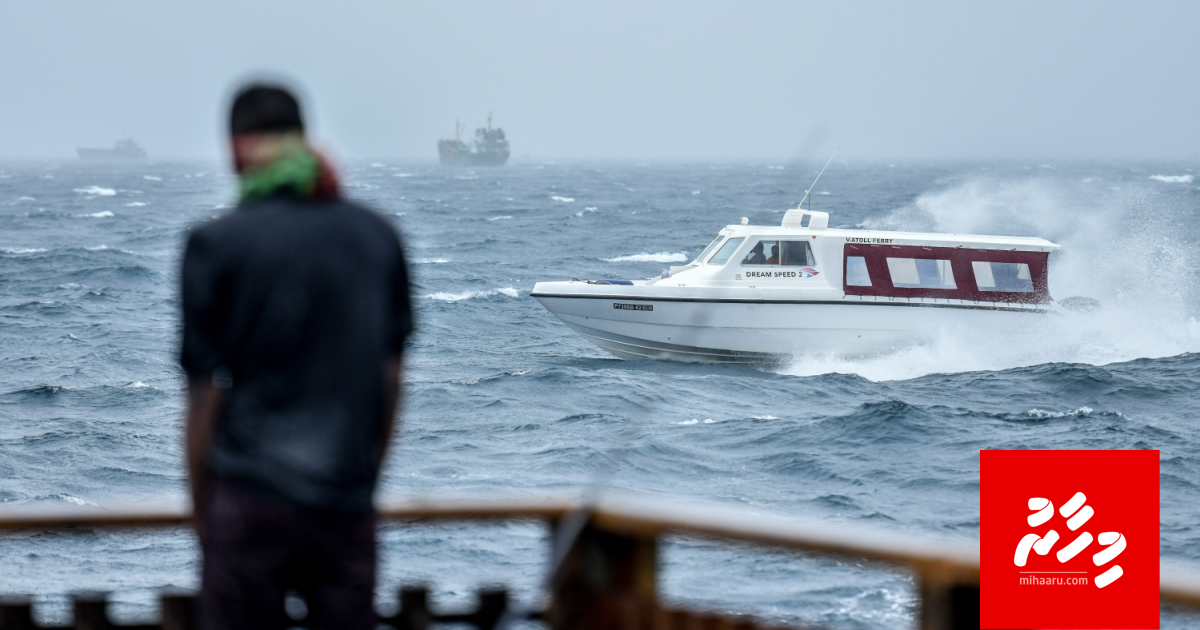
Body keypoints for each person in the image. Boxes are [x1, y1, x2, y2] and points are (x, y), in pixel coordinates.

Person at [180, 83, 413, 630]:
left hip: (247, 499)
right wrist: (362, 481)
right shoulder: (377, 237)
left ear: (236, 148)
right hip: (345, 500)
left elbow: (204, 394)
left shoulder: (215, 244)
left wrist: (204, 513)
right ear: (303, 138)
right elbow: (392, 379)